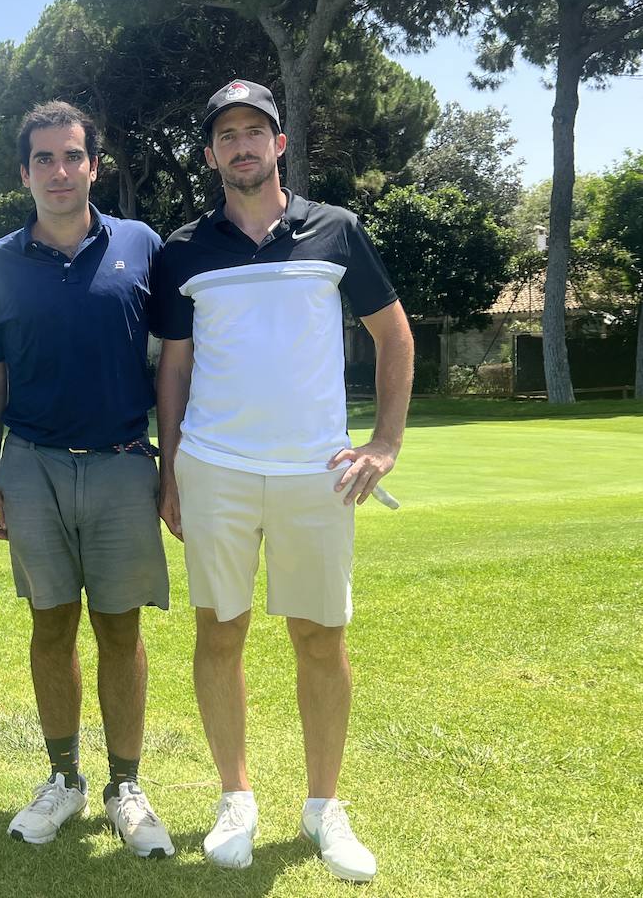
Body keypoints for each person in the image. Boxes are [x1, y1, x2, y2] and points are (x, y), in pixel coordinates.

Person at [153, 80, 414, 883]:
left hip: (317, 474)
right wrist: (170, 469)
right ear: (209, 154)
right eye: (225, 134)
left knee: (319, 639)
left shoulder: (336, 230)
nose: (241, 145)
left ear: (279, 144)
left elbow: (393, 335)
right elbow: (175, 365)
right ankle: (236, 797)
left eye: (254, 132)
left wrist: (386, 443)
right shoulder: (183, 249)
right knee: (219, 632)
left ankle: (322, 807)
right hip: (216, 467)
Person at [0, 101, 174, 858]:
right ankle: (65, 777)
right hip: (32, 465)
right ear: (25, 172)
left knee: (121, 627)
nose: (60, 171)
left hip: (123, 462)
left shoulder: (142, 245)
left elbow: (176, 359)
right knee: (50, 622)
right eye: (44, 159)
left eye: (73, 156)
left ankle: (125, 783)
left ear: (94, 164)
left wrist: (173, 465)